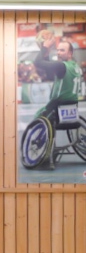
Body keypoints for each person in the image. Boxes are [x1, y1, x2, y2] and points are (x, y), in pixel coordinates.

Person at [32, 35, 81, 170]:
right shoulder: (75, 66)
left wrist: (44, 48)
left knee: (39, 116)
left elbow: (38, 62)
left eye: (62, 50)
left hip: (57, 108)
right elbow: (49, 71)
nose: (58, 53)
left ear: (70, 54)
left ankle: (46, 154)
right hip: (72, 109)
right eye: (58, 50)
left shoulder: (61, 66)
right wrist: (47, 54)